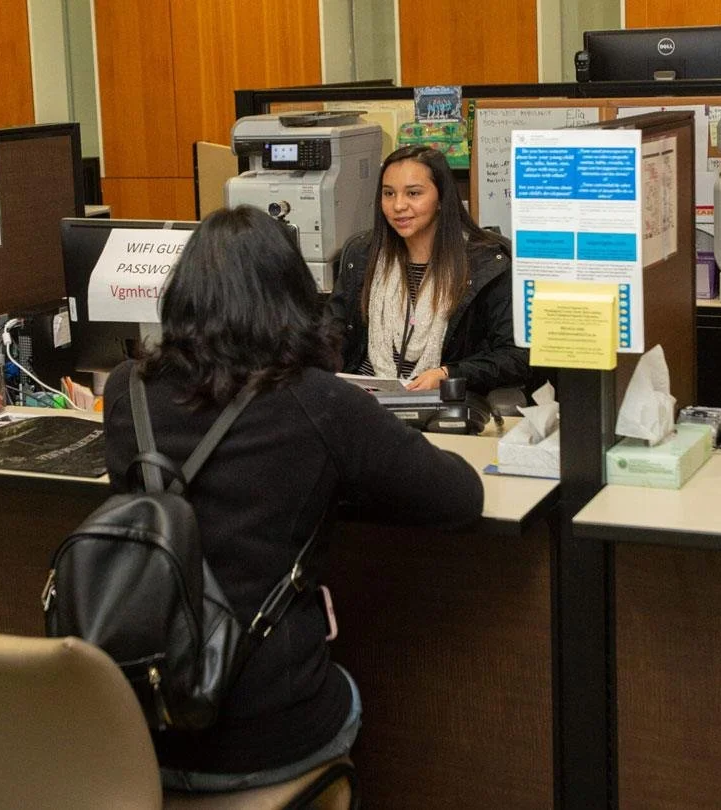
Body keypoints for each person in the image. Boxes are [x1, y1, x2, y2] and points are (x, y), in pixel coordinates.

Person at [103, 205, 484, 792]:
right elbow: (459, 499)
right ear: (292, 297)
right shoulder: (321, 401)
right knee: (367, 698)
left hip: (136, 725)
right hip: (267, 729)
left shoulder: (125, 390)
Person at [327, 144, 531, 396]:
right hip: (364, 400)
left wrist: (449, 375)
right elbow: (332, 334)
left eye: (413, 193)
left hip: (442, 402)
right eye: (389, 194)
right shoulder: (362, 255)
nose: (398, 205)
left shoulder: (487, 263)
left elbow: (517, 356)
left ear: (441, 199)